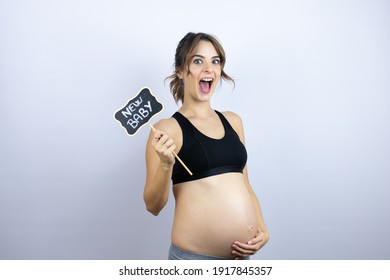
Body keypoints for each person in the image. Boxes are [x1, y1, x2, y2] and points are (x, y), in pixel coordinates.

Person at [144, 32, 269, 260]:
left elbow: (246, 186)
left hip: (242, 261)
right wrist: (165, 165)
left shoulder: (233, 121)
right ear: (181, 71)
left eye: (215, 61)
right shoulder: (168, 129)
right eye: (198, 61)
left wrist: (262, 229)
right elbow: (153, 206)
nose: (209, 69)